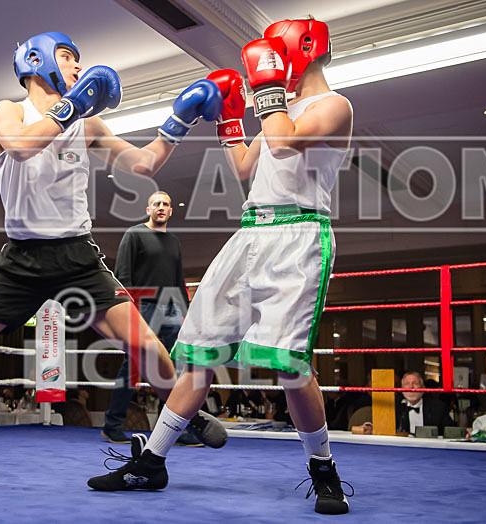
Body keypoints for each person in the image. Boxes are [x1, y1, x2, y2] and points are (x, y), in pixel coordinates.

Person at [0, 31, 227, 488]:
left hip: (78, 254)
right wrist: (71, 107)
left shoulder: (89, 125)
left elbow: (143, 164)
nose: (78, 67)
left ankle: (184, 419)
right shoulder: (9, 110)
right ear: (35, 61)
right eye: (67, 57)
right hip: (21, 259)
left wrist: (178, 121)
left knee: (144, 345)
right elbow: (21, 146)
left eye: (80, 61)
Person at [88, 18, 355, 514]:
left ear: (303, 49)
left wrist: (267, 88)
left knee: (291, 367)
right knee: (200, 356)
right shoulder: (285, 108)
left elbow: (285, 143)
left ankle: (324, 469)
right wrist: (228, 118)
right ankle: (152, 462)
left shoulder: (334, 105)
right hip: (250, 235)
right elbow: (246, 166)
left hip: (299, 238)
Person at [101, 191, 201, 446]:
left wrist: (186, 314)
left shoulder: (174, 242)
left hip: (171, 310)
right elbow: (123, 273)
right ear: (148, 209)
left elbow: (179, 281)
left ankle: (175, 429)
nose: (161, 207)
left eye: (166, 204)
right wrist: (129, 309)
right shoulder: (134, 234)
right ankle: (112, 424)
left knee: (176, 368)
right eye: (156, 203)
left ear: (171, 211)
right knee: (133, 366)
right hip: (143, 306)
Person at [395, 371, 453, 435]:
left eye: (415, 383)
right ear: (401, 389)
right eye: (407, 384)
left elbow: (450, 433)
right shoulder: (394, 407)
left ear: (423, 388)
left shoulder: (438, 408)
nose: (411, 387)